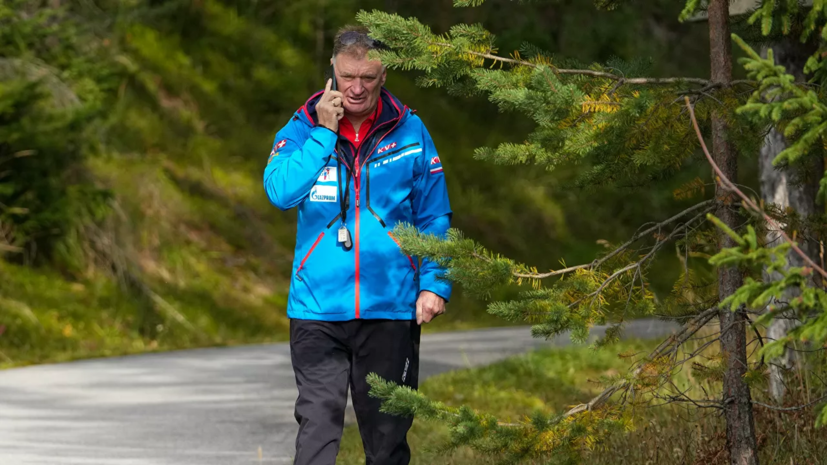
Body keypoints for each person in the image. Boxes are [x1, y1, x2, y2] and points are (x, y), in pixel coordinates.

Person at [262, 25, 452, 465]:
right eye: (348, 76)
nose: (356, 88)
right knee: (317, 431)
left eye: (368, 77)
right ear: (333, 69)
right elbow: (280, 192)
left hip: (390, 309)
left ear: (384, 74)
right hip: (317, 310)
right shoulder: (302, 127)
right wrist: (324, 134)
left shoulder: (410, 130)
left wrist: (435, 284)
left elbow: (434, 215)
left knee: (387, 443)